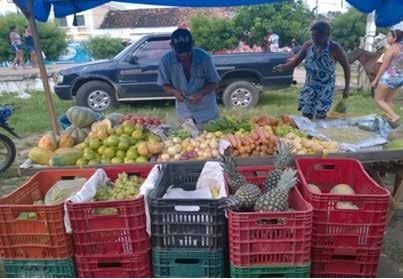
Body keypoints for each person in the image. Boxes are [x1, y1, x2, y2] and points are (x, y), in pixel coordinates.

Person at [274, 21, 350, 119]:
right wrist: (282, 67)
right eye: (313, 35)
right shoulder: (308, 46)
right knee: (306, 116)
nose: (314, 38)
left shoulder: (334, 48)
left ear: (327, 35)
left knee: (320, 117)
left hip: (325, 88)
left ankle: (317, 134)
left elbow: (346, 67)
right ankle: (306, 134)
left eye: (317, 35)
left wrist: (347, 88)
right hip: (309, 86)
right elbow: (295, 62)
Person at [157, 29, 221, 129]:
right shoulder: (165, 61)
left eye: (187, 51)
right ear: (172, 46)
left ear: (193, 44)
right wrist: (174, 92)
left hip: (207, 112)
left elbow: (214, 82)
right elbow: (164, 84)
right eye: (180, 52)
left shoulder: (204, 58)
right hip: (184, 114)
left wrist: (201, 93)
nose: (184, 55)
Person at [371, 29, 403, 127]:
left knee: (379, 99)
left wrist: (375, 80)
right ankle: (391, 121)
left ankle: (394, 116)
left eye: (388, 36)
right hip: (400, 78)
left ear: (395, 38)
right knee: (388, 100)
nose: (387, 38)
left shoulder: (391, 49)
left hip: (388, 78)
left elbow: (384, 66)